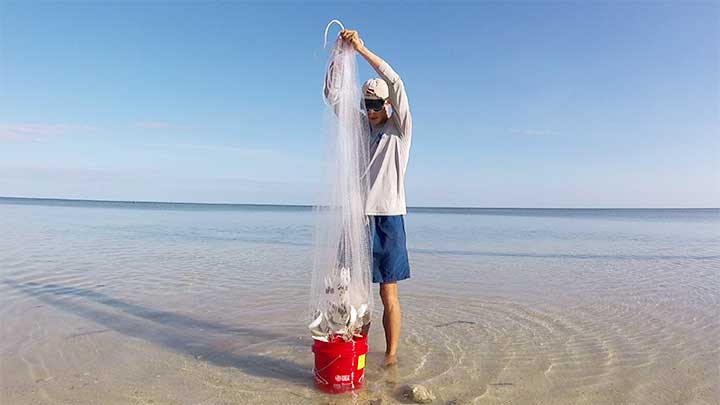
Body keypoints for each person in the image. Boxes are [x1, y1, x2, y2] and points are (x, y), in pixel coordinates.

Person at [327, 29, 413, 367]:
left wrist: (361, 50)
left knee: (387, 291)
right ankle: (352, 347)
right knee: (346, 286)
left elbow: (396, 82)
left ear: (387, 104)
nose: (372, 110)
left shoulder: (399, 131)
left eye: (377, 104)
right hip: (357, 218)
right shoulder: (361, 128)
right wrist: (339, 56)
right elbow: (332, 97)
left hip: (389, 217)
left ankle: (390, 357)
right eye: (367, 105)